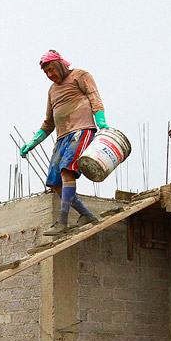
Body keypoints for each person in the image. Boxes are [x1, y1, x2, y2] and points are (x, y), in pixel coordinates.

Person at [20, 51, 105, 237]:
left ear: (59, 65)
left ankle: (63, 221)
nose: (50, 75)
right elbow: (49, 122)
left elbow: (95, 99)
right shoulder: (52, 90)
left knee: (67, 170)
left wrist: (102, 122)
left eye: (51, 70)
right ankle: (85, 214)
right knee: (54, 182)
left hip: (81, 131)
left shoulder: (80, 76)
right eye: (46, 73)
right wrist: (33, 142)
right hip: (62, 138)